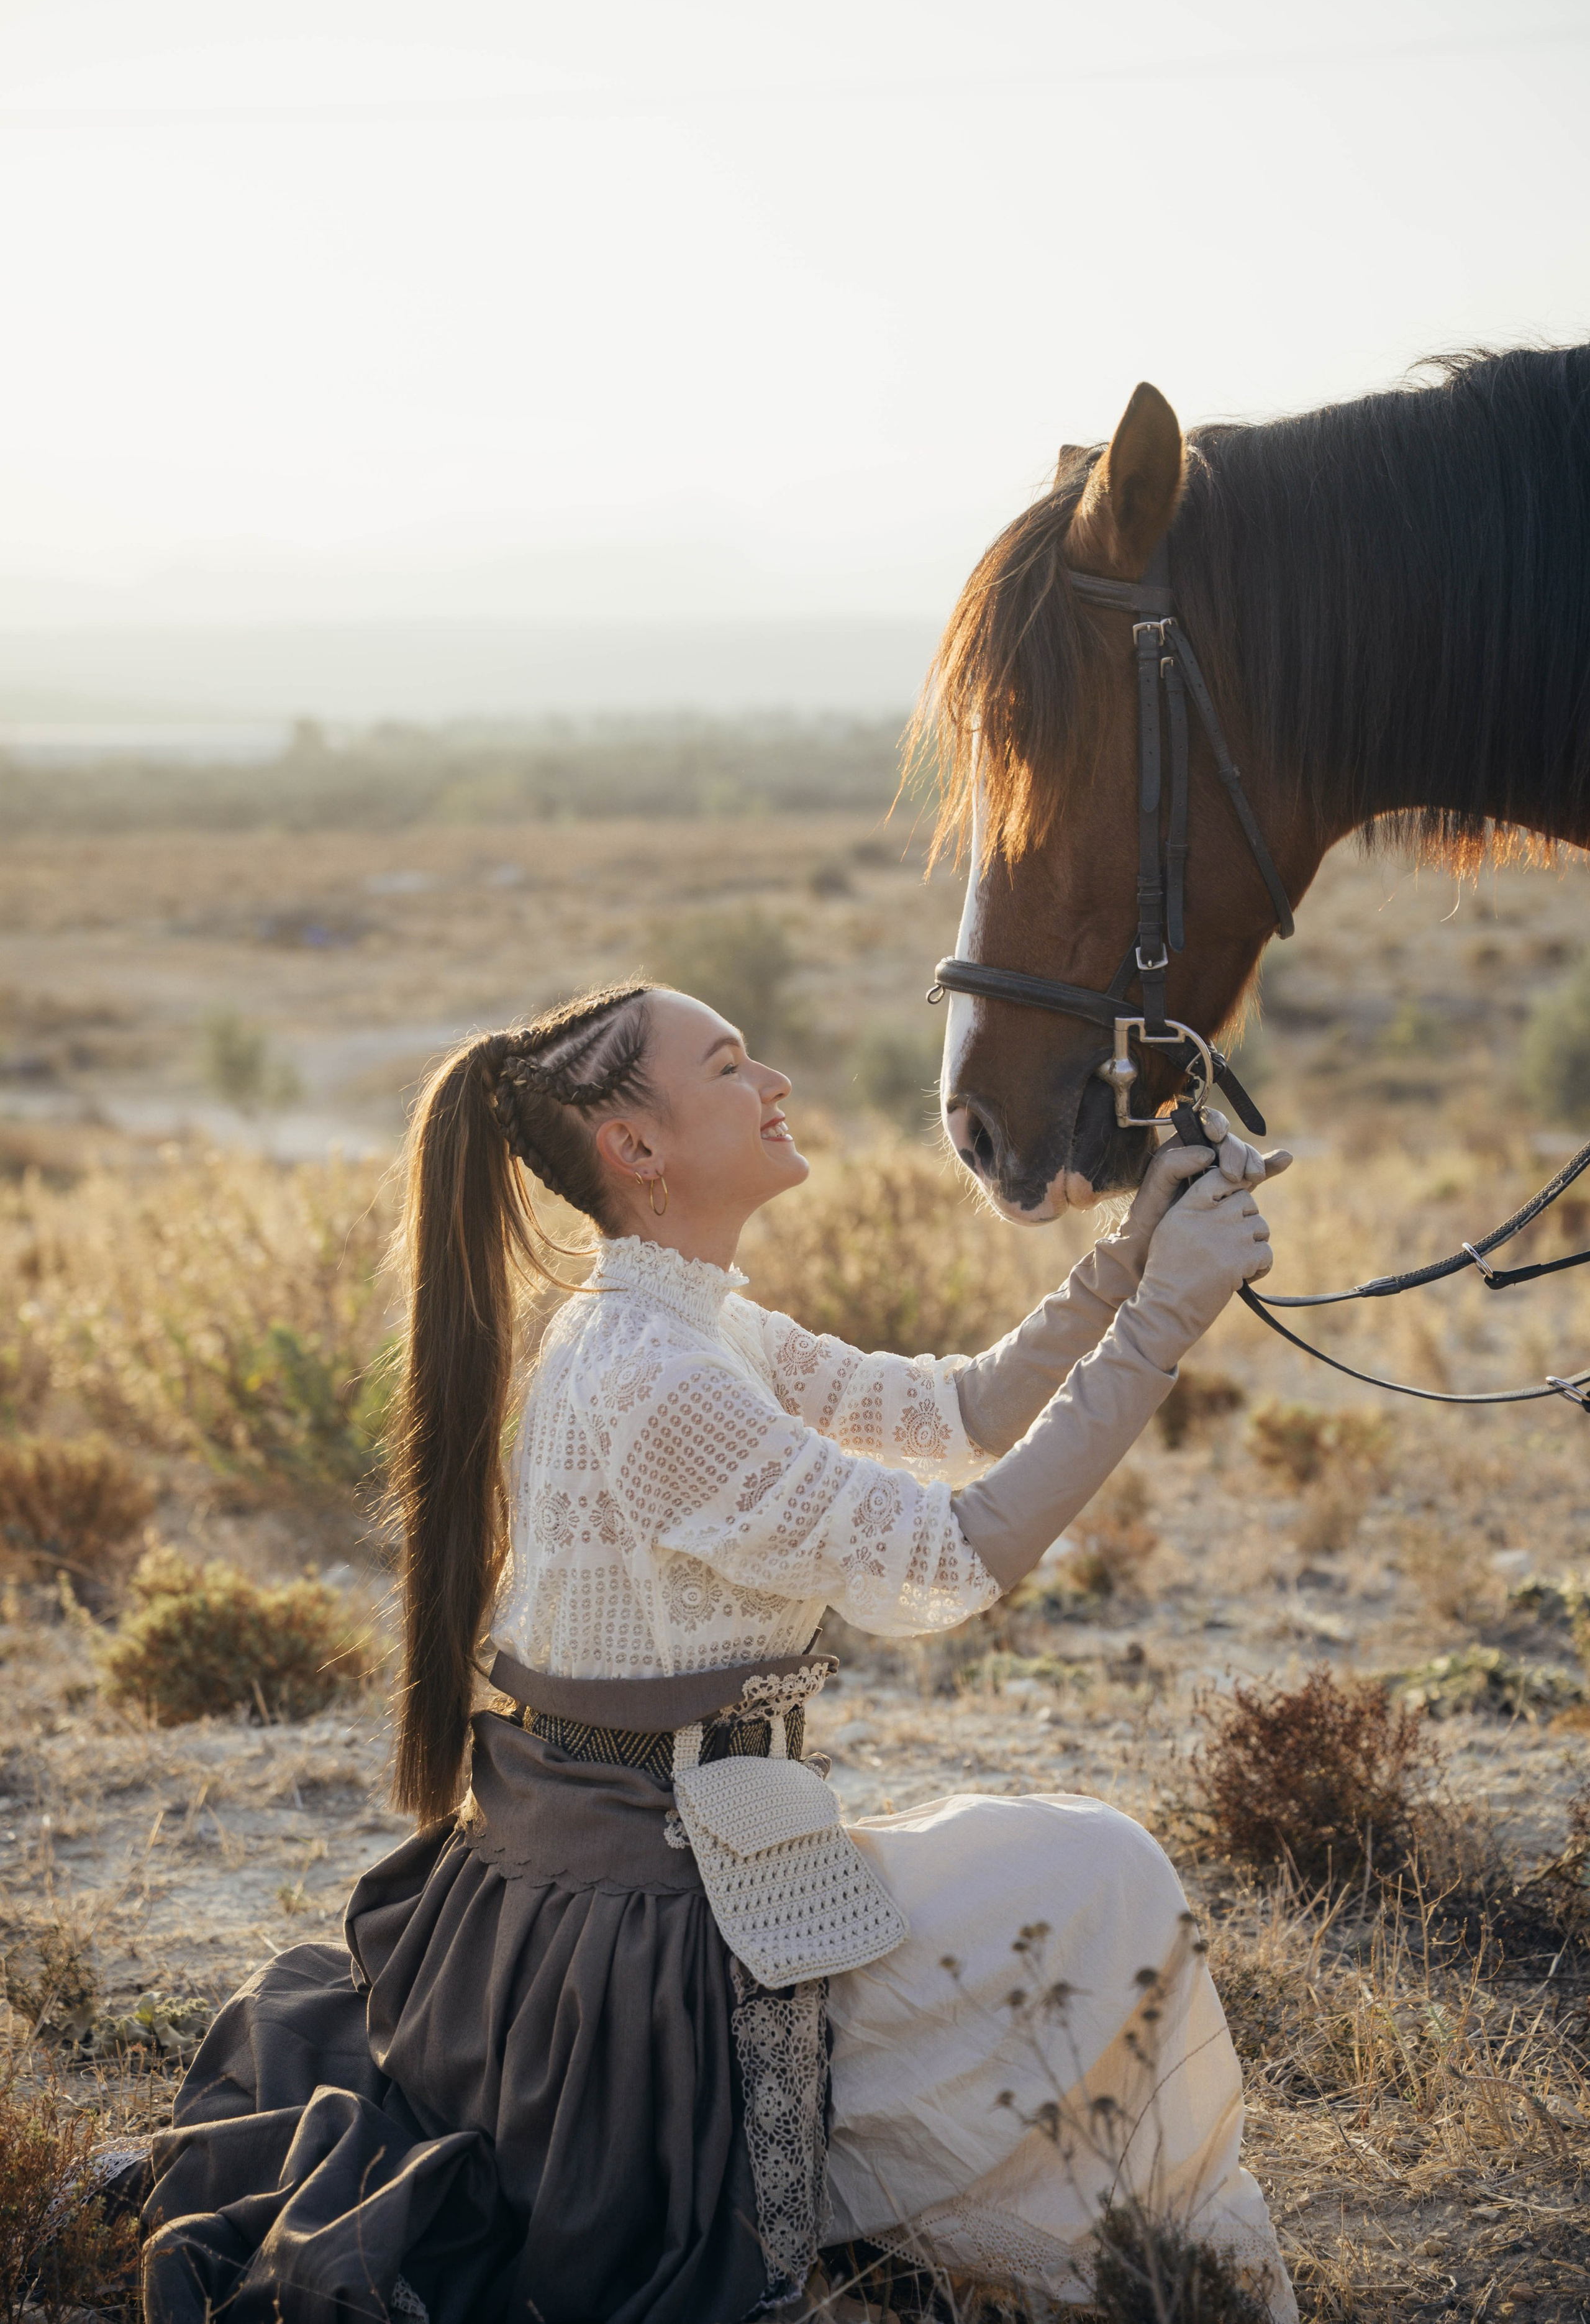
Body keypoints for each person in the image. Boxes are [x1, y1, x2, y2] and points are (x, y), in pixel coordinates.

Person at [139, 979, 1297, 2324]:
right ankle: (1144, 2273)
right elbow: (956, 1555)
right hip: (648, 1927)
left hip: (677, 1850)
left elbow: (954, 1411)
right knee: (1103, 1879)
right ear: (636, 1148)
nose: (776, 1084)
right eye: (733, 1064)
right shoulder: (654, 1371)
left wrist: (1126, 1258)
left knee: (1076, 1872)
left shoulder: (686, 1319)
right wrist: (1166, 1319)